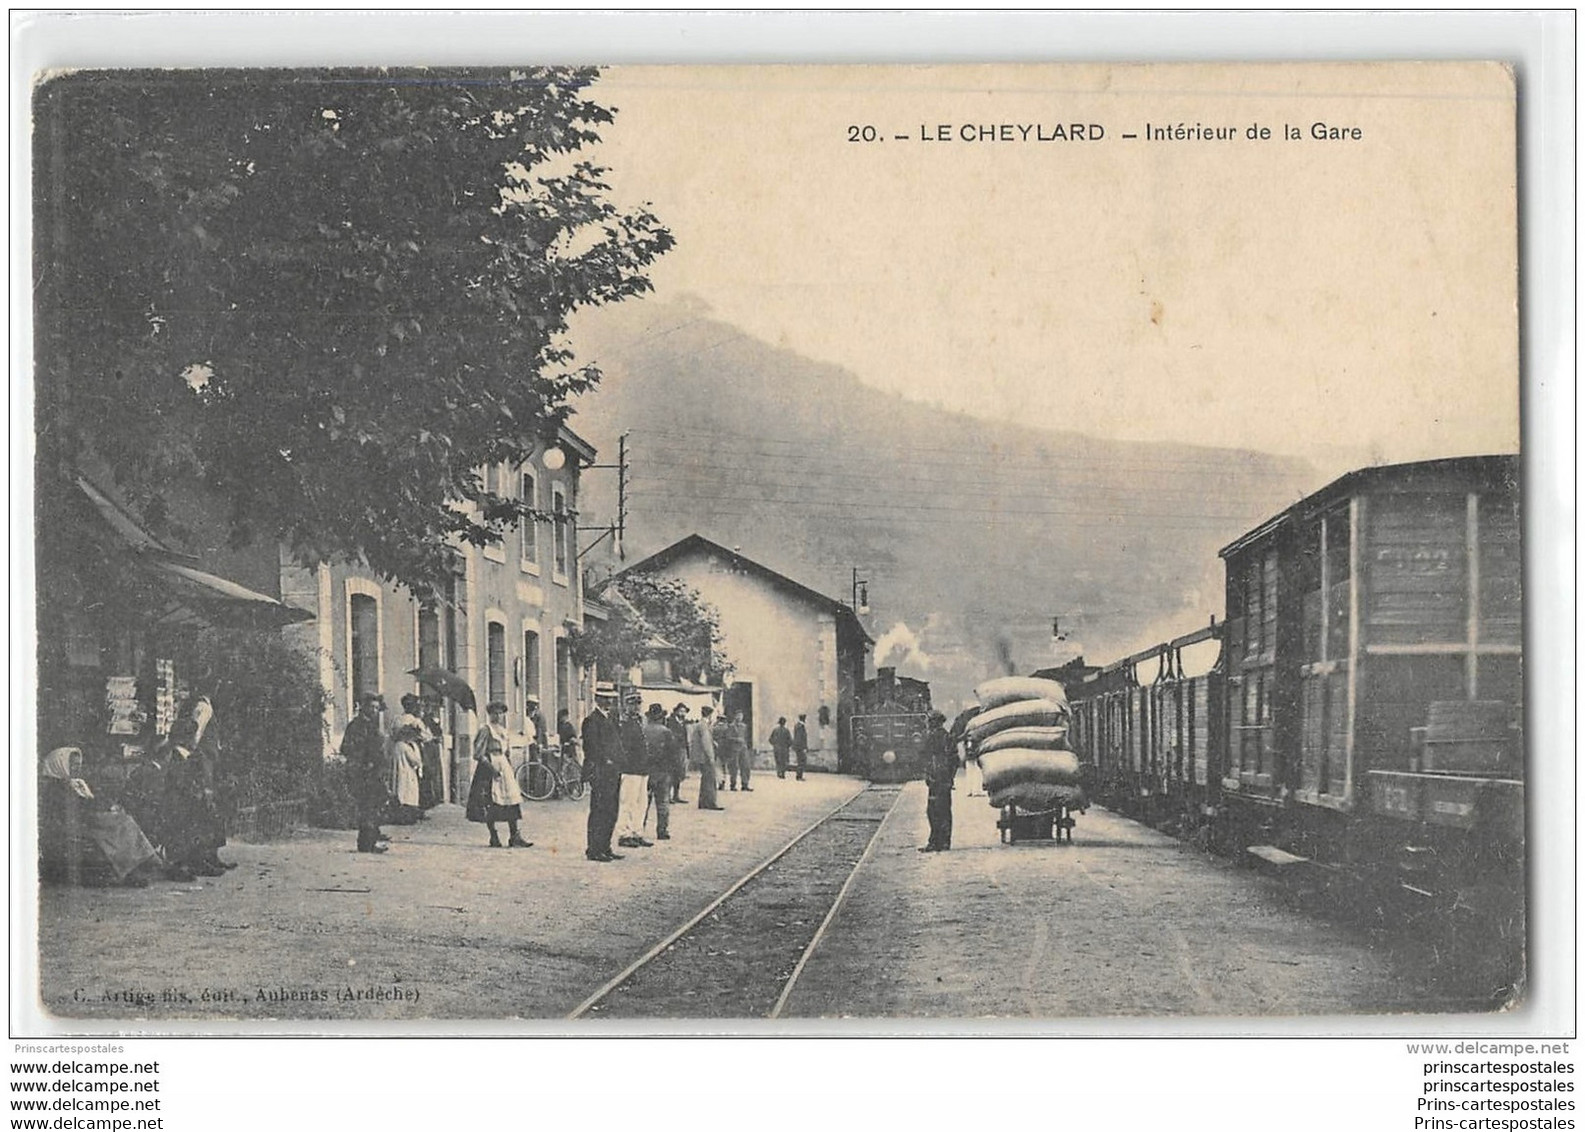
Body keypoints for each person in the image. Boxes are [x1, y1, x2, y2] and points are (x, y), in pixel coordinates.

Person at [39, 747, 162, 887]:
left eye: (78, 765)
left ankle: (137, 864)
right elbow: (74, 807)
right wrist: (92, 802)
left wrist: (93, 799)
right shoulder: (56, 786)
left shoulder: (73, 782)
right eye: (72, 764)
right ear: (60, 764)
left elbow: (88, 801)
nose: (76, 768)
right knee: (121, 823)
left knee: (122, 821)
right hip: (75, 822)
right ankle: (137, 865)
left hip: (84, 819)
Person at [163, 694, 234, 877]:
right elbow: (196, 733)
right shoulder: (203, 707)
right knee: (205, 808)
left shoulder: (204, 707)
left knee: (211, 809)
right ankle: (201, 857)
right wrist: (192, 750)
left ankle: (208, 855)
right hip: (203, 764)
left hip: (206, 763)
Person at [467, 701, 530, 848]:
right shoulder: (486, 730)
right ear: (490, 714)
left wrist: (508, 767)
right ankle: (493, 836)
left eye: (501, 713)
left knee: (511, 801)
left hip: (503, 765)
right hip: (489, 766)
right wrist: (491, 768)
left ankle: (515, 836)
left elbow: (506, 751)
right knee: (491, 801)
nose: (498, 715)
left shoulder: (503, 730)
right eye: (495, 713)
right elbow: (478, 753)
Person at [341, 693, 391, 854]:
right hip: (362, 772)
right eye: (371, 707)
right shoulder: (356, 726)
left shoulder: (371, 726)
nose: (375, 710)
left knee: (373, 806)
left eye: (377, 708)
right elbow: (346, 748)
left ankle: (370, 841)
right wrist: (364, 759)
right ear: (363, 707)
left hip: (373, 772)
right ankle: (367, 843)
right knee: (368, 807)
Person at [581, 685, 624, 862]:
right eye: (605, 699)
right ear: (598, 700)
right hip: (600, 771)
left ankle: (605, 846)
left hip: (612, 771)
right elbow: (591, 747)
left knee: (611, 810)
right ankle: (594, 849)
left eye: (611, 699)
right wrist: (605, 760)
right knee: (599, 810)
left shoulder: (610, 719)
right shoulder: (592, 720)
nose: (609, 702)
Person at [616, 690, 653, 849]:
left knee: (641, 803)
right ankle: (624, 834)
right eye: (633, 704)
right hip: (630, 768)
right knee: (628, 803)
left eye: (638, 704)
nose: (636, 707)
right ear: (626, 705)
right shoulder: (623, 723)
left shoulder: (641, 722)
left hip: (642, 768)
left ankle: (637, 832)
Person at [641, 703, 679, 840]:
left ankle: (640, 828)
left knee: (644, 802)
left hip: (647, 771)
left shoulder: (643, 730)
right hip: (663, 771)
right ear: (661, 717)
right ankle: (662, 830)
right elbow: (672, 753)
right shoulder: (666, 732)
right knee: (663, 802)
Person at [920, 711, 956, 852]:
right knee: (945, 810)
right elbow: (954, 759)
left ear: (934, 722)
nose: (928, 724)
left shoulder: (932, 737)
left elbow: (926, 757)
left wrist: (928, 774)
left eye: (930, 721)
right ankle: (944, 842)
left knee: (933, 811)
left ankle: (935, 842)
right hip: (944, 778)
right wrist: (951, 777)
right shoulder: (948, 736)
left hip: (936, 777)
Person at [387, 696, 425, 825]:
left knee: (398, 783)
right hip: (409, 754)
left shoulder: (397, 719)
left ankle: (399, 811)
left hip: (397, 754)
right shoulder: (415, 721)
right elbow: (425, 736)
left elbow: (392, 735)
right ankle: (408, 813)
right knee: (409, 787)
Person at [689, 706, 724, 810]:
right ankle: (711, 802)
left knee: (705, 780)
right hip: (705, 757)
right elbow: (706, 743)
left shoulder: (700, 724)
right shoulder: (704, 726)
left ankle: (703, 802)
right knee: (710, 780)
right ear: (709, 714)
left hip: (701, 757)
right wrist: (711, 757)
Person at [416, 695, 446, 811]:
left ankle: (434, 797)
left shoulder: (431, 719)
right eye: (425, 706)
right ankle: (426, 800)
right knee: (426, 772)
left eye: (430, 706)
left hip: (432, 749)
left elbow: (438, 733)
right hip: (425, 748)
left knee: (433, 773)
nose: (427, 709)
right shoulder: (419, 720)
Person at [666, 704, 690, 803]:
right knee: (671, 774)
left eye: (684, 711)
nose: (682, 713)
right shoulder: (670, 721)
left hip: (682, 750)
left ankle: (676, 795)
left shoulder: (683, 723)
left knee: (679, 774)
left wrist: (687, 752)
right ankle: (667, 796)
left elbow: (685, 738)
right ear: (676, 711)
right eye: (680, 711)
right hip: (672, 751)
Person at [727, 711, 753, 791]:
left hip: (743, 748)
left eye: (741, 716)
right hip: (734, 749)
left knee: (745, 766)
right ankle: (733, 784)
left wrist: (746, 745)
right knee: (734, 767)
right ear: (735, 716)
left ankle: (745, 784)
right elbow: (728, 737)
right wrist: (736, 739)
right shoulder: (731, 726)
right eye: (738, 715)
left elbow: (746, 737)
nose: (740, 717)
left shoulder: (744, 726)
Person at [792, 713, 810, 781]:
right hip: (800, 747)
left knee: (800, 761)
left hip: (798, 747)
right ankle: (799, 776)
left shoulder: (797, 725)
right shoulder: (801, 726)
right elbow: (800, 738)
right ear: (804, 719)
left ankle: (799, 775)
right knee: (801, 761)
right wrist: (803, 748)